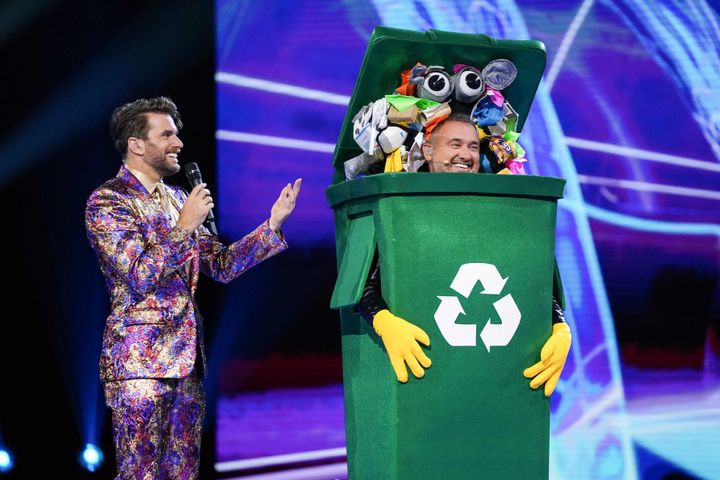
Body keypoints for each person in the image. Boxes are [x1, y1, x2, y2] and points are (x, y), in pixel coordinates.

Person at [84, 96, 301, 479]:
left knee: (183, 471)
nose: (178, 143)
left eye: (177, 134)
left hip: (187, 362)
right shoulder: (109, 202)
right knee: (141, 472)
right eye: (166, 133)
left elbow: (220, 265)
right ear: (137, 144)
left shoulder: (179, 199)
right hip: (141, 364)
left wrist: (271, 225)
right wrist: (184, 226)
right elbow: (138, 272)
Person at [357, 112, 571, 396]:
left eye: (472, 146)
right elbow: (362, 284)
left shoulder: (501, 210)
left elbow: (528, 279)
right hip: (421, 382)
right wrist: (383, 321)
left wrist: (560, 326)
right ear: (428, 151)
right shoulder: (401, 207)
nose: (466, 154)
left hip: (497, 381)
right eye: (455, 144)